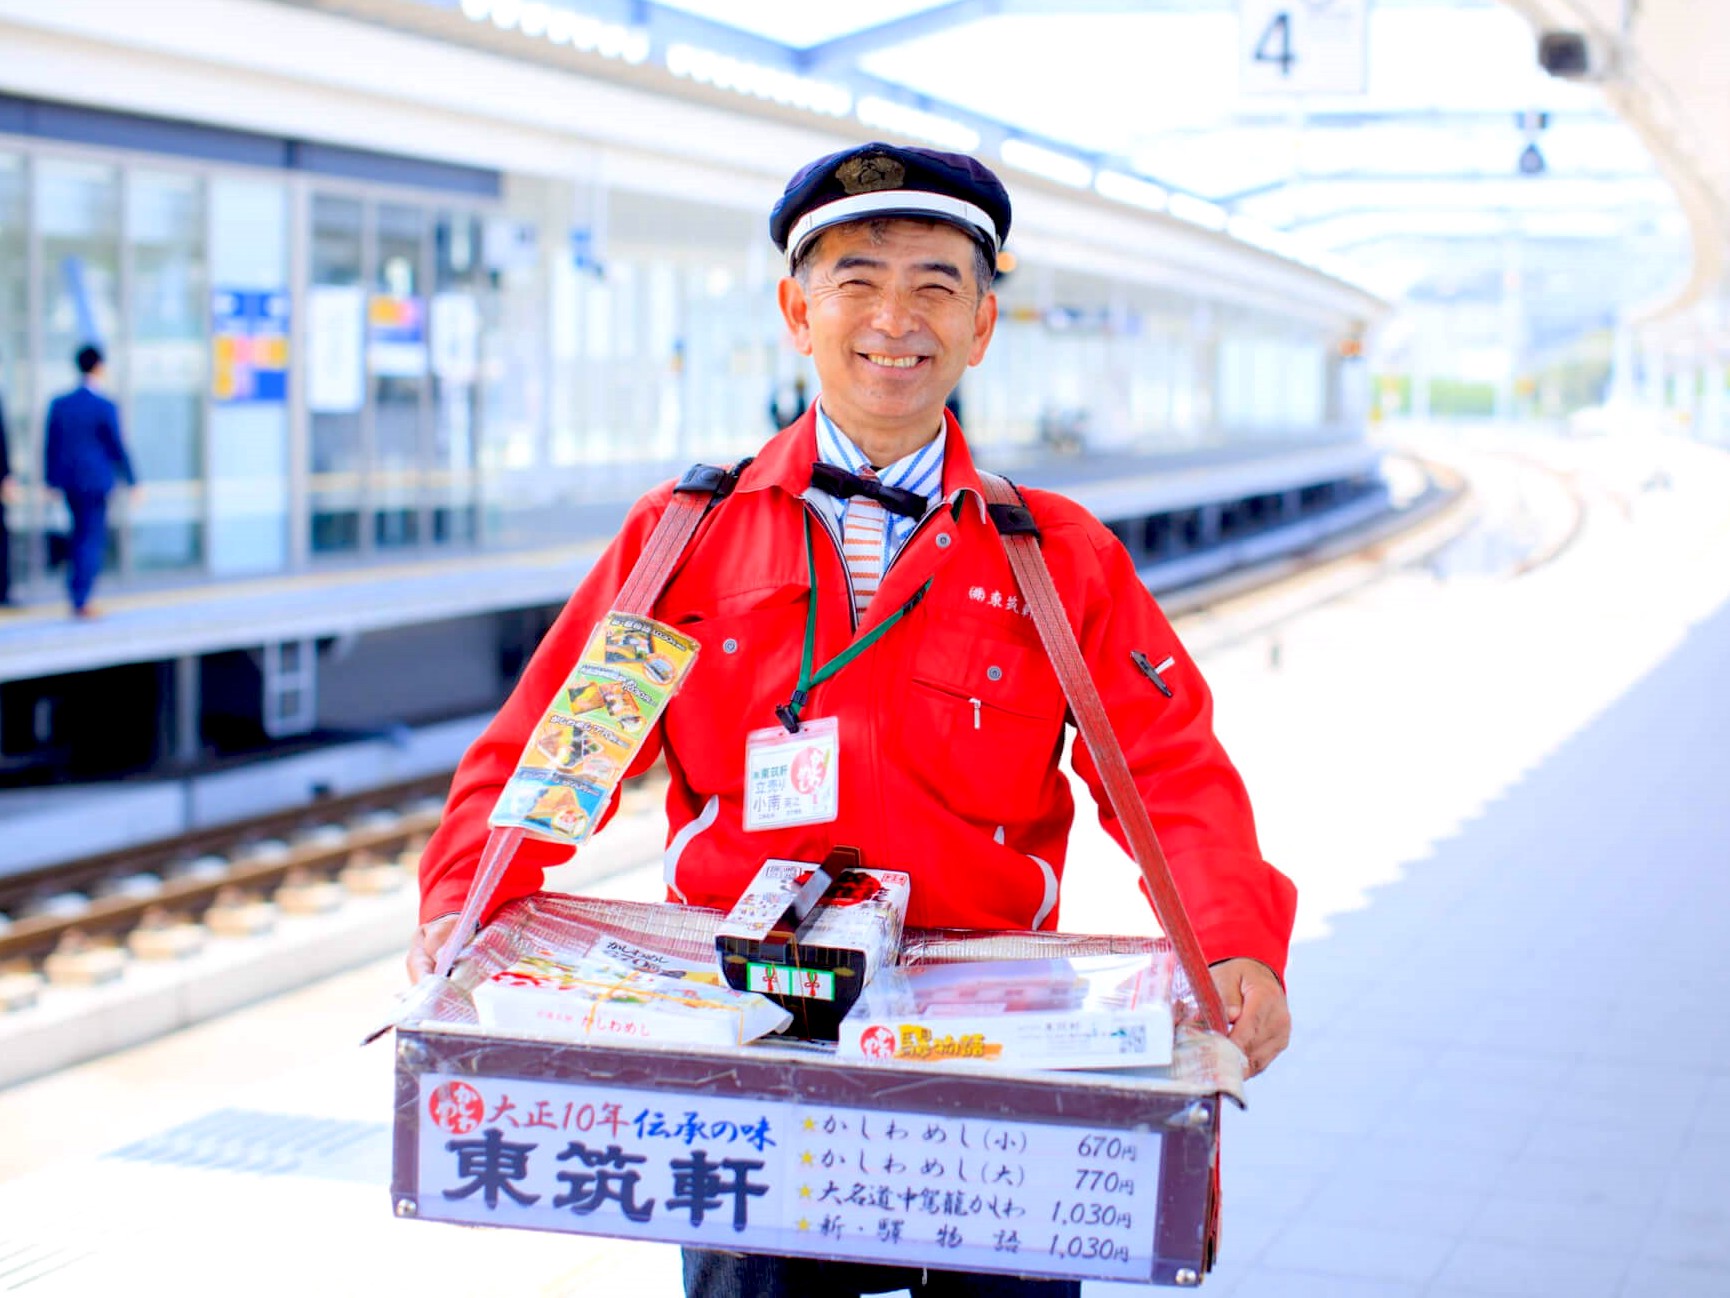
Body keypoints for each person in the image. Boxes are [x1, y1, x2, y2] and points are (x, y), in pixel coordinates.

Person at [409, 144, 1295, 1298]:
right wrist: (464, 908)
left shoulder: (1054, 556)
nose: (894, 318)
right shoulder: (686, 537)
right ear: (796, 310)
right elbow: (561, 746)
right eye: (855, 279)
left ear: (980, 325)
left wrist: (1232, 939)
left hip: (991, 1031)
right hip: (747, 1023)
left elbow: (1168, 762)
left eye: (935, 284)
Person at [45, 344, 135, 618]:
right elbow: (117, 445)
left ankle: (76, 592)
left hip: (70, 482)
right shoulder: (103, 405)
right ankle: (81, 598)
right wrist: (132, 480)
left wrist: (51, 481)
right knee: (91, 538)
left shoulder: (60, 403)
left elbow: (51, 445)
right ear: (99, 367)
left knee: (78, 535)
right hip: (96, 482)